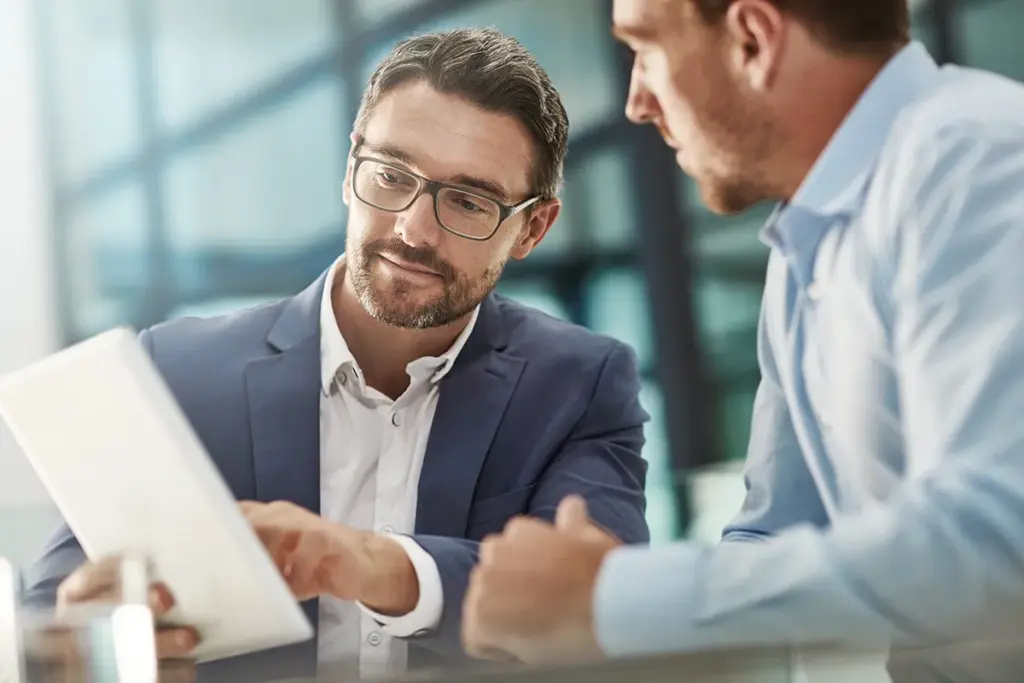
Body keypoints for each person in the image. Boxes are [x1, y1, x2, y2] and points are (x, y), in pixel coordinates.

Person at [23, 28, 650, 683]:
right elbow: (53, 620)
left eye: (467, 201)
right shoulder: (177, 373)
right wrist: (93, 638)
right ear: (351, 169)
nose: (413, 229)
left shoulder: (579, 384)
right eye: (391, 175)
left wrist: (372, 562)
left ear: (532, 228)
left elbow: (606, 608)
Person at [461, 1, 1024, 681]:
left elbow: (1001, 542)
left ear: (752, 38)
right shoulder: (804, 248)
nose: (637, 101)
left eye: (646, 48)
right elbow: (773, 540)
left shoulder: (975, 157)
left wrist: (614, 600)